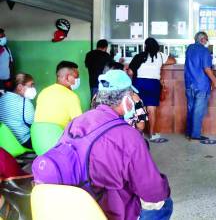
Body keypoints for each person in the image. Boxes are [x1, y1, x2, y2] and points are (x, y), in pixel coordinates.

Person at [62, 70, 171, 220]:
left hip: (76, 205)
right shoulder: (129, 136)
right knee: (164, 204)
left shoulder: (76, 122)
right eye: (132, 96)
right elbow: (152, 190)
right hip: (112, 211)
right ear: (126, 99)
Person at [129, 38, 176, 139]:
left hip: (139, 83)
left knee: (138, 108)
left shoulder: (139, 56)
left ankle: (138, 134)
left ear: (145, 46)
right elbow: (173, 60)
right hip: (153, 84)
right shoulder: (159, 55)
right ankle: (152, 134)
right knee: (152, 109)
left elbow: (130, 72)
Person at [184, 32, 216, 140]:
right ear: (203, 39)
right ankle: (195, 135)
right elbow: (207, 69)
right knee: (198, 111)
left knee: (191, 109)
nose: (207, 41)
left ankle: (189, 133)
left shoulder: (189, 49)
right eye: (207, 39)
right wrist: (215, 82)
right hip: (201, 85)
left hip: (189, 83)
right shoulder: (205, 51)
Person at [92, 62, 148, 133]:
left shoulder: (97, 96)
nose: (127, 74)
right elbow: (140, 126)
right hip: (128, 137)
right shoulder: (133, 98)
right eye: (124, 72)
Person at [34, 61, 82, 128]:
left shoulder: (43, 92)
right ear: (67, 77)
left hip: (39, 136)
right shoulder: (71, 96)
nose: (78, 80)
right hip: (58, 137)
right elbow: (79, 124)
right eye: (76, 77)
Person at [0, 73, 36, 148]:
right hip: (23, 141)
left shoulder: (1, 99)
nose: (33, 88)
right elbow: (33, 122)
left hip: (5, 142)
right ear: (19, 87)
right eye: (31, 85)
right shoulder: (25, 102)